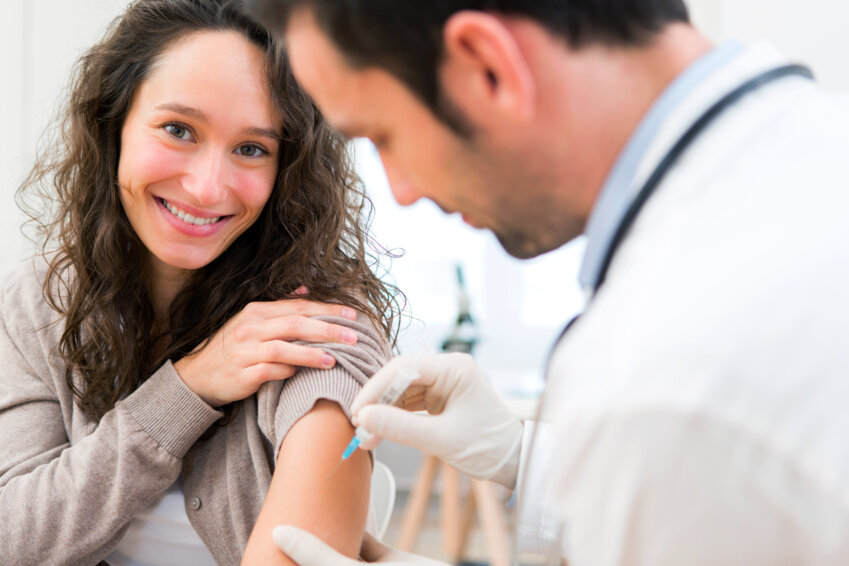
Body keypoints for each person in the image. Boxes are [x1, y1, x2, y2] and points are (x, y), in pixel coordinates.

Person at [243, 0, 849, 565]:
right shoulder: (811, 147)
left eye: (383, 135)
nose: (402, 189)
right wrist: (523, 458)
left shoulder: (660, 379)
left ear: (488, 66)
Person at [0, 0, 399, 564]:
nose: (210, 188)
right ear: (113, 126)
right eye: (178, 130)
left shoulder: (316, 324)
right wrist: (187, 389)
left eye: (251, 148)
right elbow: (12, 538)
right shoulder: (35, 303)